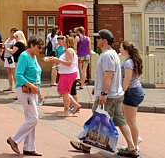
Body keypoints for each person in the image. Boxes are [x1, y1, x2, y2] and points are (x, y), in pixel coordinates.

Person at [70, 29, 138, 157]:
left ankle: (85, 145)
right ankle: (131, 147)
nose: (96, 40)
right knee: (121, 121)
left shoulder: (107, 56)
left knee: (97, 118)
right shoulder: (112, 54)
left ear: (105, 40)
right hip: (116, 95)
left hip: (109, 96)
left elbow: (109, 75)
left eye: (99, 38)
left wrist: (103, 93)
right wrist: (98, 87)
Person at [6, 37, 45, 157]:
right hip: (25, 90)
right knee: (33, 118)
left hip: (32, 90)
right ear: (31, 45)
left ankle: (29, 147)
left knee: (30, 119)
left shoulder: (34, 56)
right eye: (38, 47)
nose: (40, 50)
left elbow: (36, 74)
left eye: (41, 47)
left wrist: (39, 90)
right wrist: (32, 86)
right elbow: (19, 75)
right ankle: (14, 139)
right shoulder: (24, 56)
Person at [119, 41, 145, 153]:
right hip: (135, 91)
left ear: (125, 50)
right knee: (124, 118)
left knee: (130, 120)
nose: (119, 49)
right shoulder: (130, 61)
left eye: (120, 47)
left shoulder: (128, 63)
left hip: (131, 92)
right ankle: (135, 139)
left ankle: (134, 145)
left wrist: (122, 92)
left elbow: (127, 79)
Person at [48, 35, 81, 116]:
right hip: (65, 73)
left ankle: (66, 111)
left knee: (64, 92)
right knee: (61, 91)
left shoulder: (69, 51)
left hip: (68, 74)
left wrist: (57, 60)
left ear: (67, 42)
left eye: (64, 40)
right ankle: (75, 105)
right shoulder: (67, 51)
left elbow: (69, 63)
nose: (62, 41)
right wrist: (56, 60)